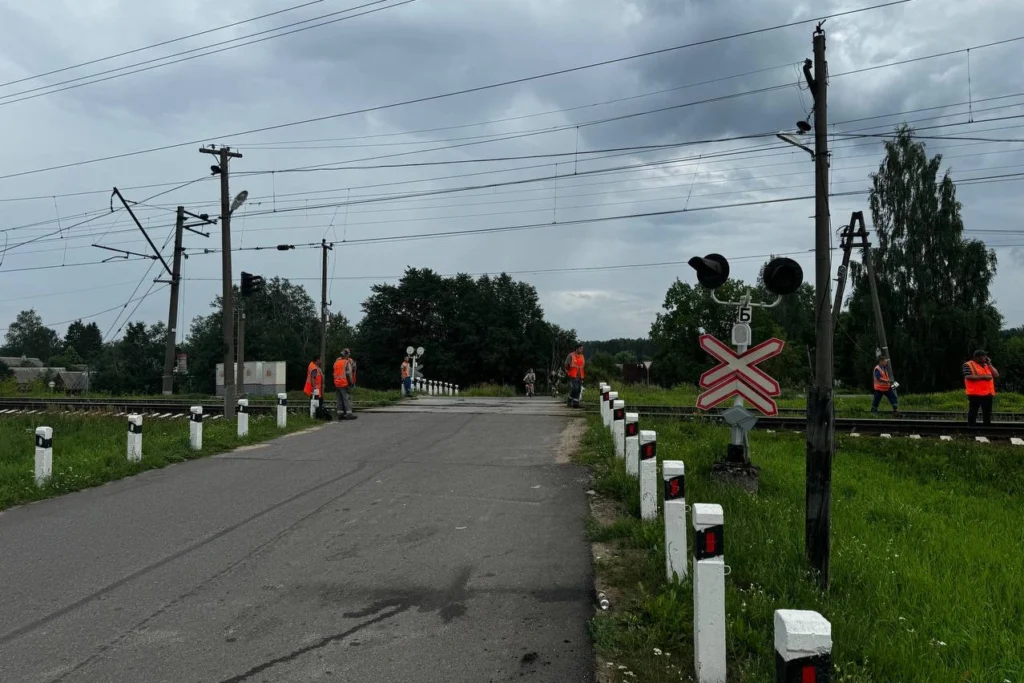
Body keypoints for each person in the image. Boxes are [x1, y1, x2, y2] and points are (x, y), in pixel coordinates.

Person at [963, 349, 998, 426]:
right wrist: (984, 377)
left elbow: (996, 374)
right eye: (983, 356)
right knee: (973, 412)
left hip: (988, 394)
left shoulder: (987, 365)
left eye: (986, 356)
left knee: (987, 413)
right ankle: (972, 429)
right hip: (975, 394)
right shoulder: (968, 364)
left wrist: (990, 364)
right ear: (977, 358)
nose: (985, 358)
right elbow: (968, 376)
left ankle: (986, 429)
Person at [333, 348, 358, 421]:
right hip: (344, 383)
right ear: (346, 355)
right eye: (348, 354)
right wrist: (351, 382)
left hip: (337, 383)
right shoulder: (346, 362)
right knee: (347, 399)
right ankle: (349, 414)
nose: (349, 356)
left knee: (339, 399)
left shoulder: (336, 362)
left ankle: (340, 414)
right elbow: (349, 374)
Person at [303, 355, 328, 420]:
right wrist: (314, 387)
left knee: (315, 403)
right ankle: (318, 417)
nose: (321, 361)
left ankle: (316, 416)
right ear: (317, 360)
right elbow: (313, 378)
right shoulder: (314, 368)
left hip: (316, 389)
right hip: (316, 390)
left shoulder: (313, 366)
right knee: (317, 403)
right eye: (320, 359)